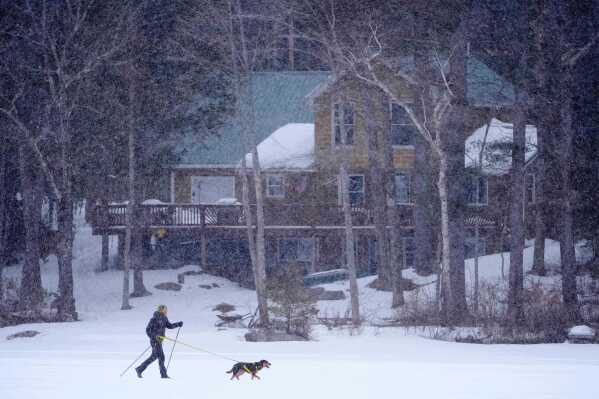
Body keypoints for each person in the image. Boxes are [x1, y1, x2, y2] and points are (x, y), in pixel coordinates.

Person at [135, 305, 183, 378]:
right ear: (161, 310)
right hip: (154, 341)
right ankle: (163, 374)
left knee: (154, 357)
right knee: (161, 357)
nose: (166, 311)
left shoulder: (164, 318)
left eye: (166, 310)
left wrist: (178, 324)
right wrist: (155, 336)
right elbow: (148, 330)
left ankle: (140, 369)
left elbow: (169, 326)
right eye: (165, 310)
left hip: (160, 341)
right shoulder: (154, 319)